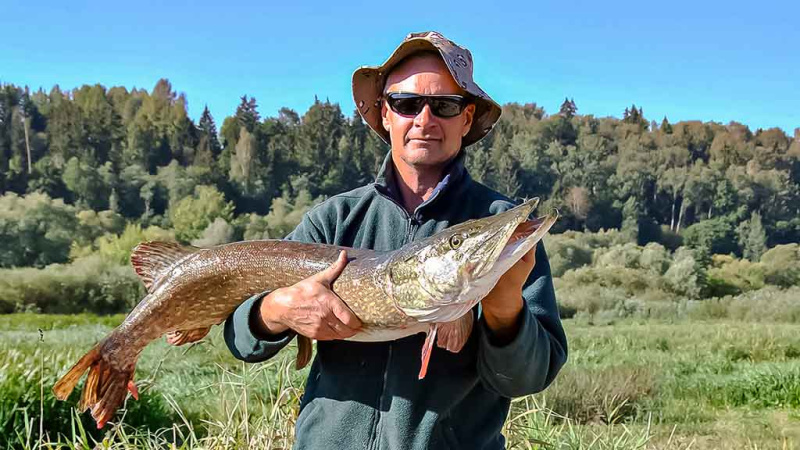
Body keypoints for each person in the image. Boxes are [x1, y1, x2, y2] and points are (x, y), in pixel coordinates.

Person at [224, 31, 567, 449]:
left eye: (444, 105)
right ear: (386, 114)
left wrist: (505, 310)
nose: (424, 120)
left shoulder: (499, 228)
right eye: (406, 104)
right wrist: (275, 310)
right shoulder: (335, 219)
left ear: (466, 117)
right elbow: (241, 339)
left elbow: (527, 378)